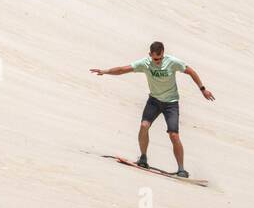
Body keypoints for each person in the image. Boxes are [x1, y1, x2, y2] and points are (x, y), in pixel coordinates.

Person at [90, 41, 214, 175]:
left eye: (160, 58)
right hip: (154, 101)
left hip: (171, 103)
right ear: (150, 55)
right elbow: (122, 69)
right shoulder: (145, 63)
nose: (158, 61)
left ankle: (181, 169)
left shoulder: (172, 62)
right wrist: (105, 71)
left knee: (174, 135)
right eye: (155, 59)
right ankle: (143, 158)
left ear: (163, 54)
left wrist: (203, 89)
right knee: (144, 126)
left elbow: (191, 72)